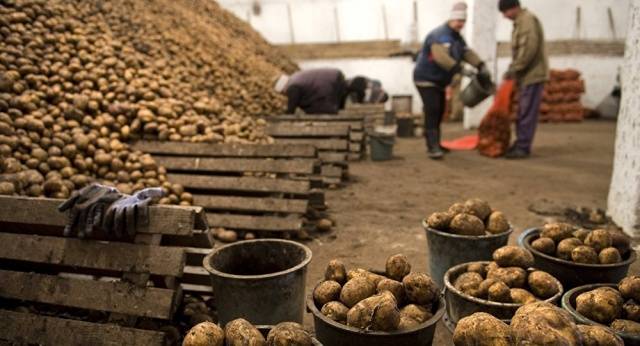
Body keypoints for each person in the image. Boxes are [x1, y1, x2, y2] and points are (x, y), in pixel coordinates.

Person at [413, 2, 489, 159]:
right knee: (433, 110)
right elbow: (441, 57)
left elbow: (467, 53)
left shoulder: (457, 38)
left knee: (439, 110)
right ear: (452, 18)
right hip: (426, 79)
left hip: (439, 82)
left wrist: (481, 65)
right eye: (458, 21)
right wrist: (461, 69)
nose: (461, 24)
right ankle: (432, 147)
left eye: (463, 21)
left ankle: (436, 144)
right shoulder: (438, 35)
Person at [499, 0, 549, 159]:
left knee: (527, 112)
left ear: (513, 8)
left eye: (505, 12)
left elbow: (528, 50)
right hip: (526, 75)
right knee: (522, 110)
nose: (504, 16)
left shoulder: (527, 21)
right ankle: (521, 142)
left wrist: (513, 69)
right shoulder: (521, 22)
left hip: (532, 75)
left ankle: (523, 147)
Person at [274, 68, 366, 115]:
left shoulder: (292, 87)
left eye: (283, 93)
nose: (285, 95)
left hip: (329, 83)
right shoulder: (295, 77)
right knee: (338, 103)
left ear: (283, 89)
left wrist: (284, 115)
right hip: (335, 76)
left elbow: (291, 109)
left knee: (323, 108)